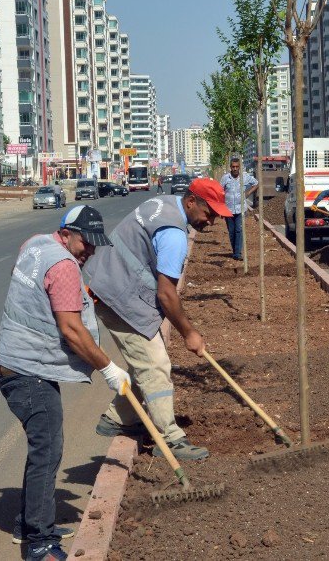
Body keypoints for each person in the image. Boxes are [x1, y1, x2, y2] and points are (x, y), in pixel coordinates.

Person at [0, 206, 129, 561]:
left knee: (43, 448)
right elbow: (71, 330)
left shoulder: (36, 244)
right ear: (66, 233)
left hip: (11, 363)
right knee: (48, 450)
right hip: (28, 373)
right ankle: (38, 542)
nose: (91, 251)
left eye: (96, 245)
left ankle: (30, 522)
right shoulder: (64, 266)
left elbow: (24, 276)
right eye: (86, 243)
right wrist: (109, 368)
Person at [85, 179, 232, 461]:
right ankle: (171, 439)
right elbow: (167, 294)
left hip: (110, 284)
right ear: (191, 202)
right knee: (156, 364)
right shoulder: (174, 235)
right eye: (209, 213)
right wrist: (189, 332)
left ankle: (117, 418)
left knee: (146, 361)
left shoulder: (162, 204)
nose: (211, 221)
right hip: (119, 296)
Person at [219, 158, 258, 261]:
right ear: (230, 167)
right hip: (228, 210)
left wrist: (248, 193)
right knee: (231, 232)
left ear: (240, 167)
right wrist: (221, 209)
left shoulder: (245, 177)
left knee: (239, 230)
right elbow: (220, 192)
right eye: (233, 167)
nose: (235, 169)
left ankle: (237, 253)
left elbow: (256, 183)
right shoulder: (225, 178)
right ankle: (235, 251)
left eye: (237, 167)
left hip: (241, 209)